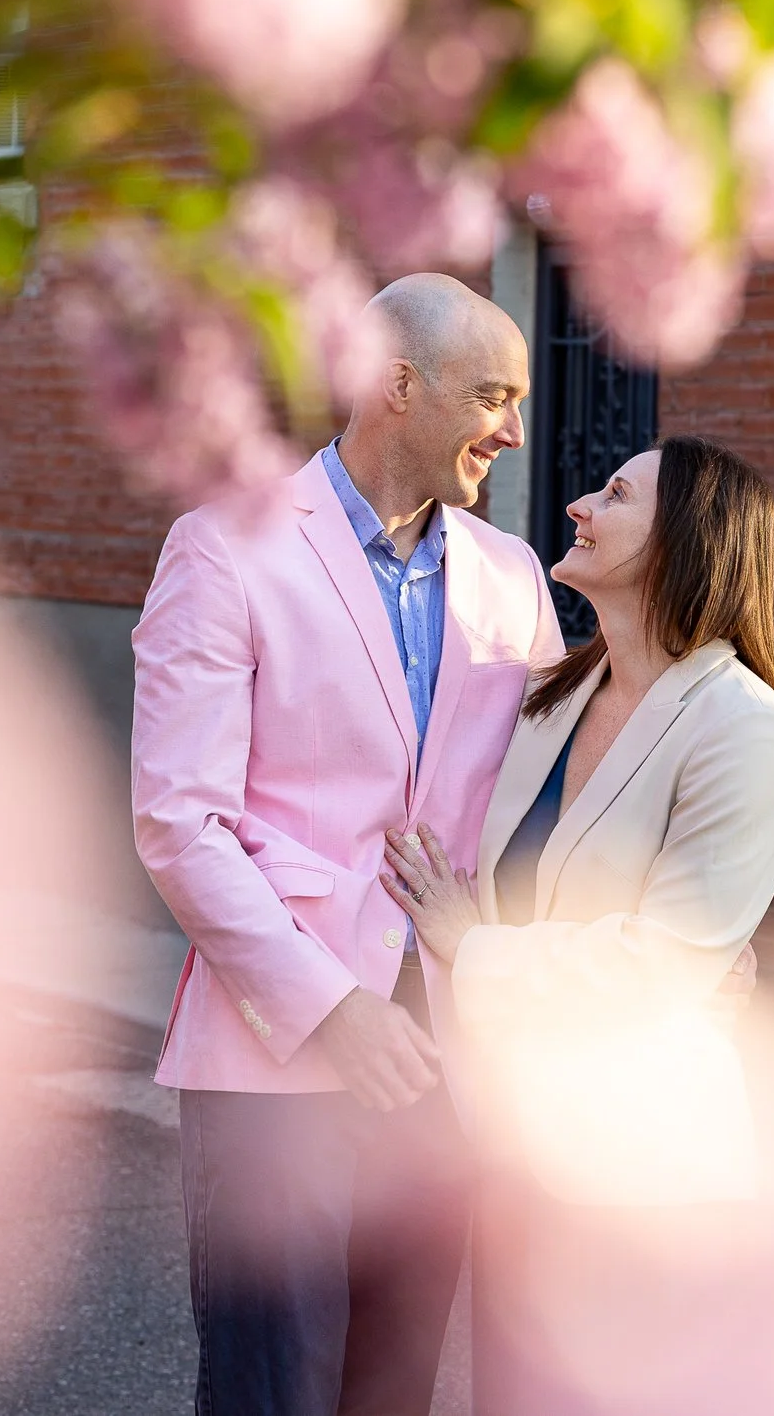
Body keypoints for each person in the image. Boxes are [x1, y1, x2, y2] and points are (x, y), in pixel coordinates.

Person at [130, 273, 564, 1416]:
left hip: (443, 1059)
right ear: (395, 386)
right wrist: (334, 1006)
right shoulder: (224, 548)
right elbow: (180, 820)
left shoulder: (512, 576)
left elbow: (548, 801)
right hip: (276, 1057)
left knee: (395, 1387)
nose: (512, 429)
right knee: (274, 1391)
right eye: (491, 395)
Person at [380, 434, 774, 1416]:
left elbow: (658, 964)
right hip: (515, 1150)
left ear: (686, 542)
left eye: (614, 494)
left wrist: (469, 943)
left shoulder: (739, 724)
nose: (577, 503)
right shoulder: (553, 695)